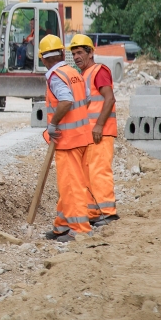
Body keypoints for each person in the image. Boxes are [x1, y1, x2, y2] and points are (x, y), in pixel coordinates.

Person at [38, 35, 94, 243]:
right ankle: (62, 226)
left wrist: (53, 125)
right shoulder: (73, 73)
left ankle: (79, 229)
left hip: (68, 141)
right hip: (81, 137)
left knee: (71, 186)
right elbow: (86, 99)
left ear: (43, 59)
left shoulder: (55, 76)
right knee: (69, 184)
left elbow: (66, 101)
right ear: (62, 53)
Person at [69, 34, 119, 226]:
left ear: (90, 52)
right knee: (88, 173)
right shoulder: (83, 75)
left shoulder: (99, 71)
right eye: (73, 54)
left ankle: (108, 211)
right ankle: (94, 212)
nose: (76, 57)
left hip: (101, 132)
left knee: (99, 171)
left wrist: (99, 125)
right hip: (89, 134)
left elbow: (110, 98)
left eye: (80, 52)